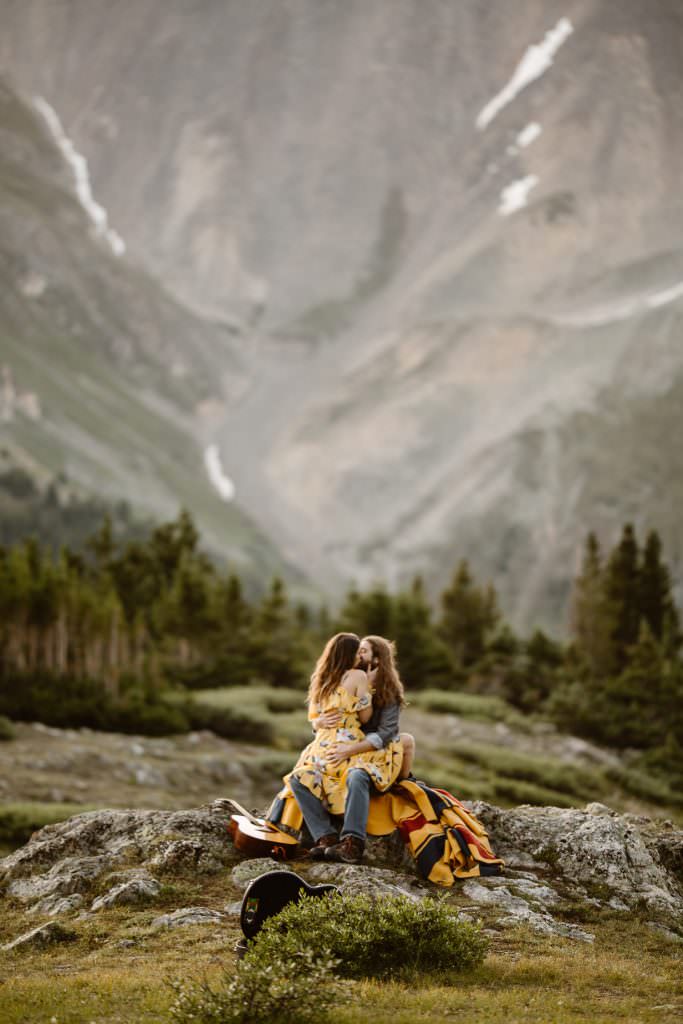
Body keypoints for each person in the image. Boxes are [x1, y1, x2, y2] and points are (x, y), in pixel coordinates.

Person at [286, 632, 406, 864]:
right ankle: (338, 839)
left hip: (322, 747)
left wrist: (319, 722)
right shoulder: (358, 676)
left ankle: (332, 838)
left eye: (364, 651)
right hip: (347, 741)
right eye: (357, 651)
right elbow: (364, 717)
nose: (360, 656)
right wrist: (365, 691)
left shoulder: (321, 678)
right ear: (349, 655)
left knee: (299, 777)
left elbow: (315, 716)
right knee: (351, 775)